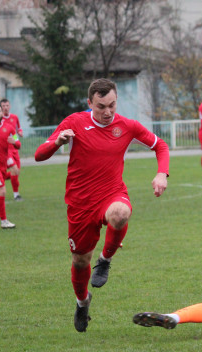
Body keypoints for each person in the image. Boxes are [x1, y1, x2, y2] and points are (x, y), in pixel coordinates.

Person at [34, 78, 170, 333]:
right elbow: (39, 155)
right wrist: (57, 142)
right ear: (90, 103)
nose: (108, 112)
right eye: (101, 106)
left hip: (111, 193)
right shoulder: (74, 123)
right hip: (80, 203)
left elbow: (160, 145)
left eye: (112, 105)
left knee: (120, 213)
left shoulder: (127, 126)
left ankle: (105, 259)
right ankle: (82, 302)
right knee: (80, 261)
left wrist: (162, 173)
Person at [0, 98, 24, 201]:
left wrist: (19, 134)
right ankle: (16, 195)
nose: (5, 108)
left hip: (14, 148)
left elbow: (17, 129)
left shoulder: (14, 117)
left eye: (7, 105)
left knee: (16, 172)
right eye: (3, 106)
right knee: (14, 170)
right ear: (1, 107)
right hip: (6, 150)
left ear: (9, 106)